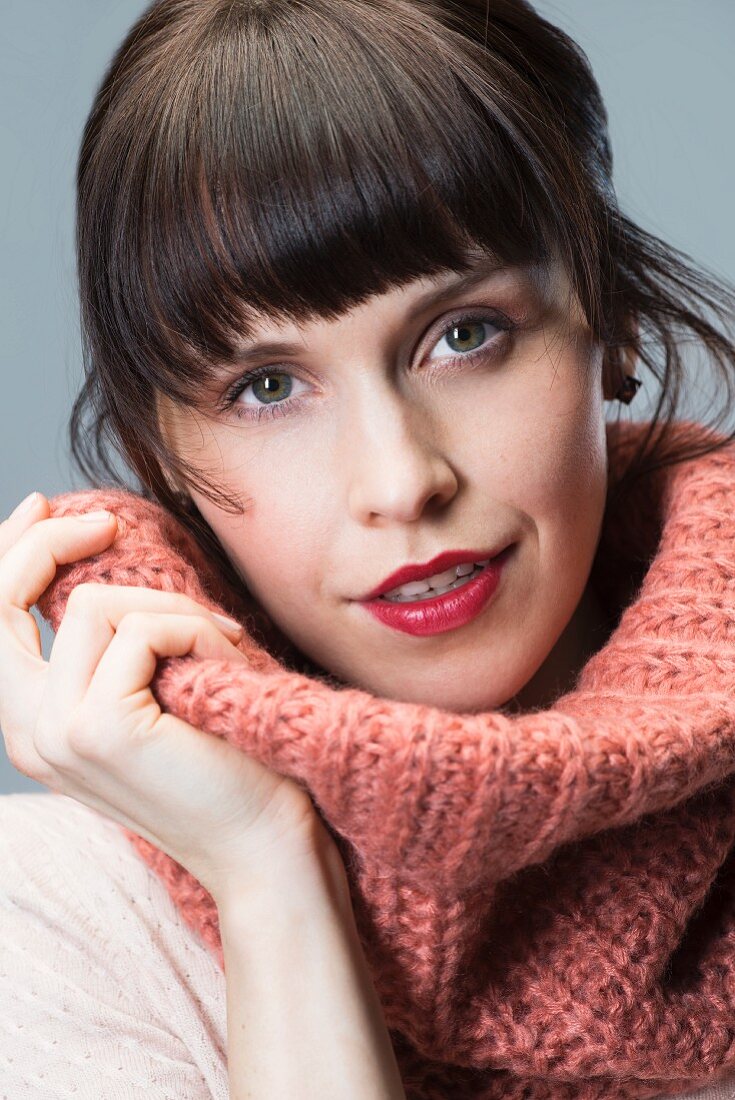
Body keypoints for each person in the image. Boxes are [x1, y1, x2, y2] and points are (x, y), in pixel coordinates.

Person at [1, 0, 734, 1097]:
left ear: (613, 320)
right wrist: (264, 870)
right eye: (266, 388)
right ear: (163, 460)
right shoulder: (65, 913)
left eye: (465, 334)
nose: (400, 481)